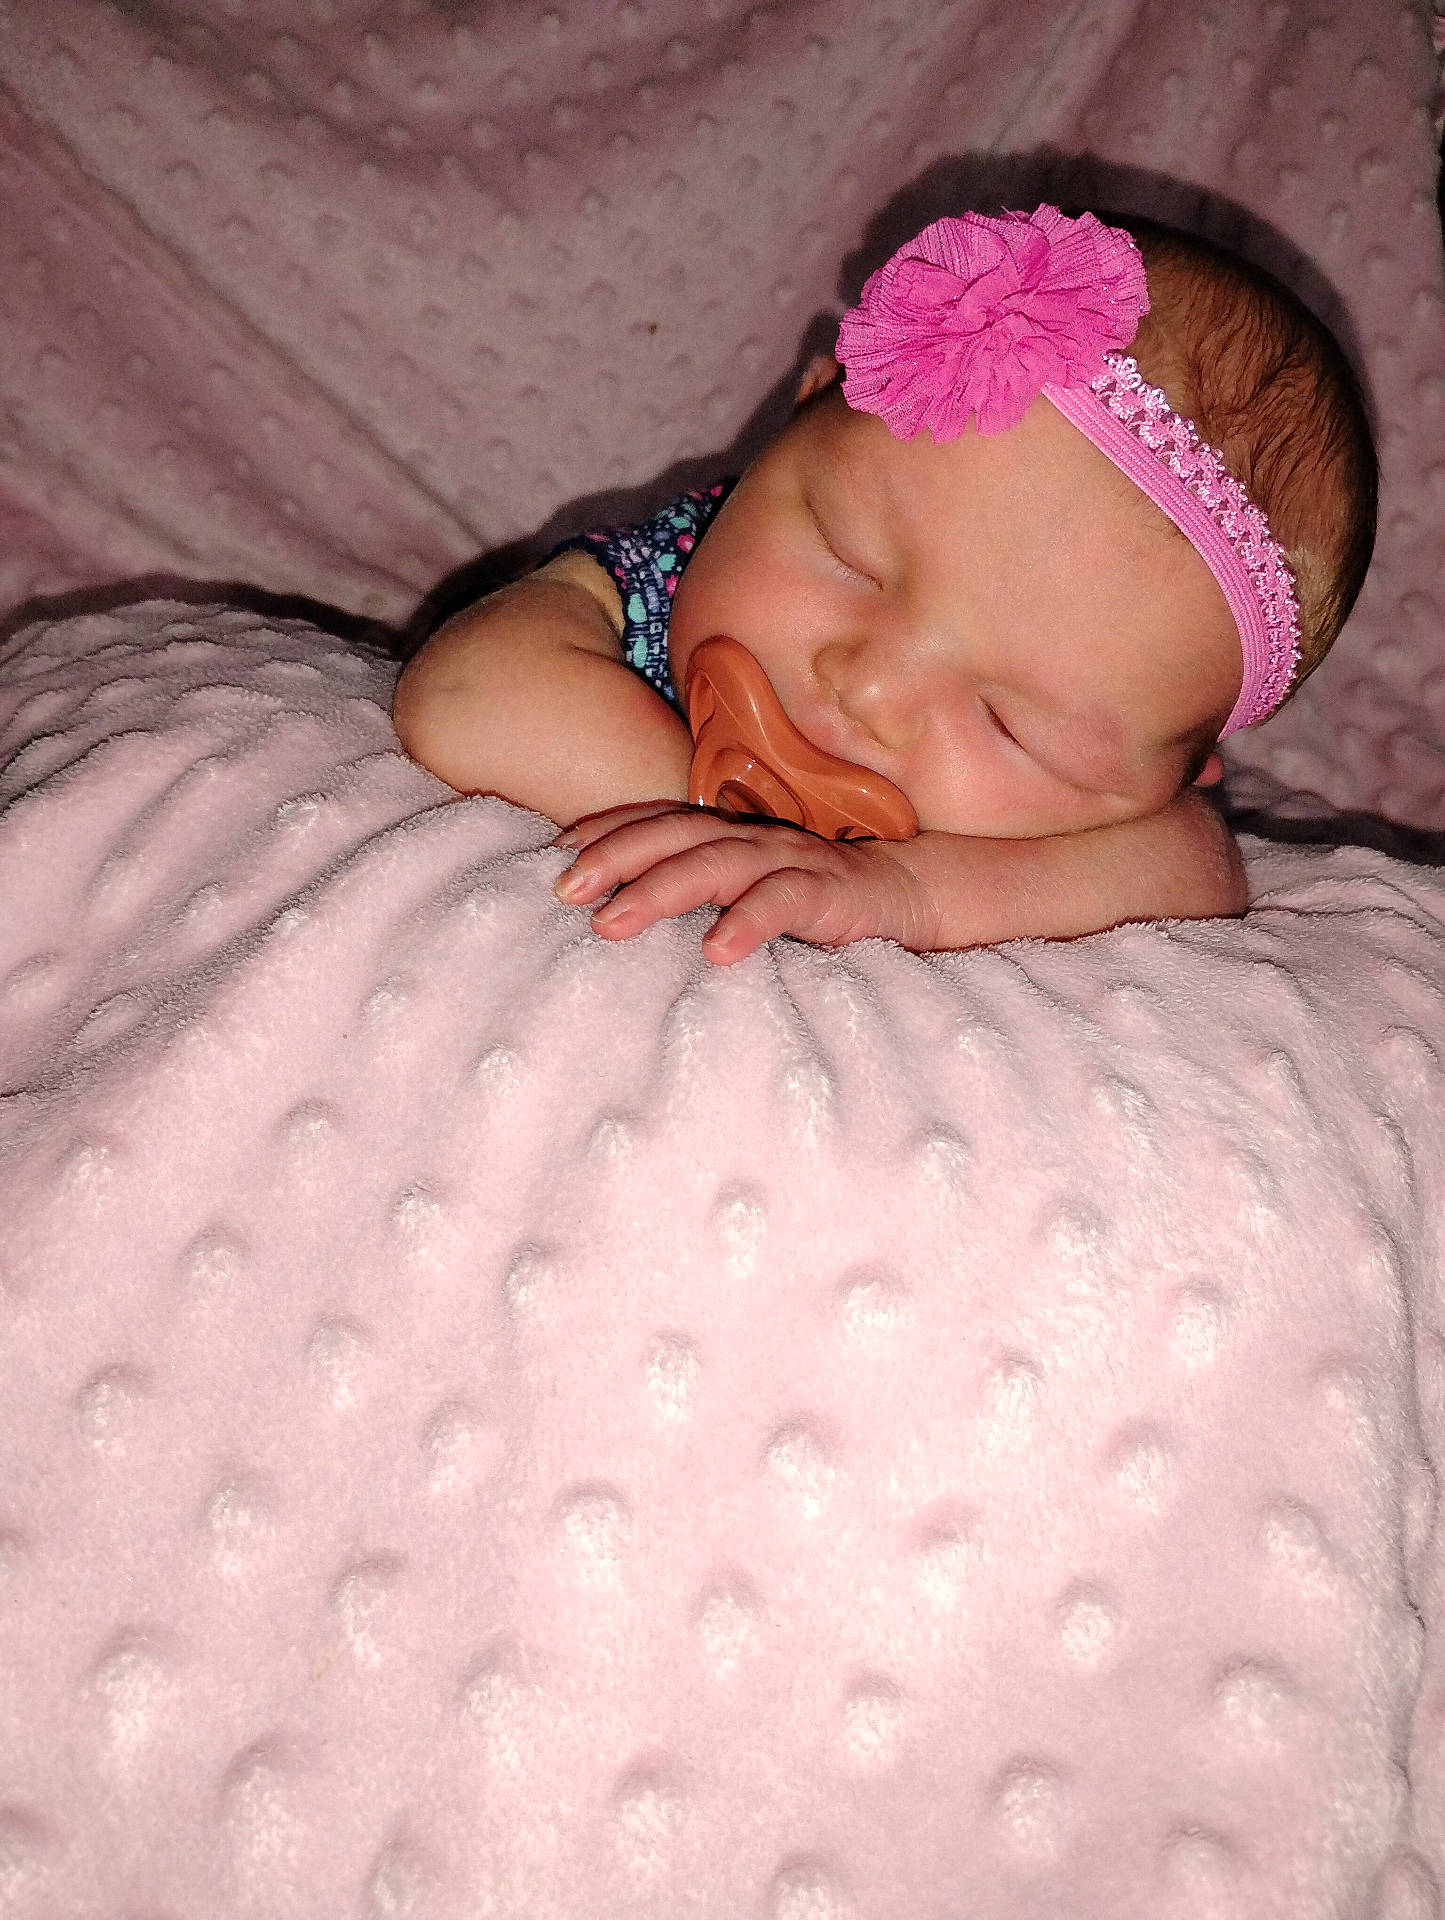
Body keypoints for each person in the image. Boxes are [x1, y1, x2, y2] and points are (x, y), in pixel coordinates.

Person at [392, 206, 1376, 965]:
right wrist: (733, 837)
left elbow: (1194, 875)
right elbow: (469, 696)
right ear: (799, 417)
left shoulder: (1128, 816)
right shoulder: (644, 586)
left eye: (1008, 724)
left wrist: (903, 893)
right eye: (848, 559)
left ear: (1176, 771)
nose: (870, 691)